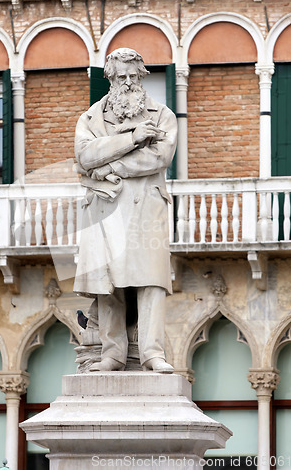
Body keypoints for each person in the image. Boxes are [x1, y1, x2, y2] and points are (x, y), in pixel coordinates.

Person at [73, 48, 177, 373]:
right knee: (109, 284)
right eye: (121, 76)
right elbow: (85, 157)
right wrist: (133, 138)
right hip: (105, 209)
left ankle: (152, 353)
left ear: (142, 75)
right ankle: (112, 354)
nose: (129, 82)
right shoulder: (90, 118)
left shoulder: (162, 115)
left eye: (134, 75)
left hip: (147, 207)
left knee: (151, 280)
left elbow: (158, 157)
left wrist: (110, 165)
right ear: (110, 78)